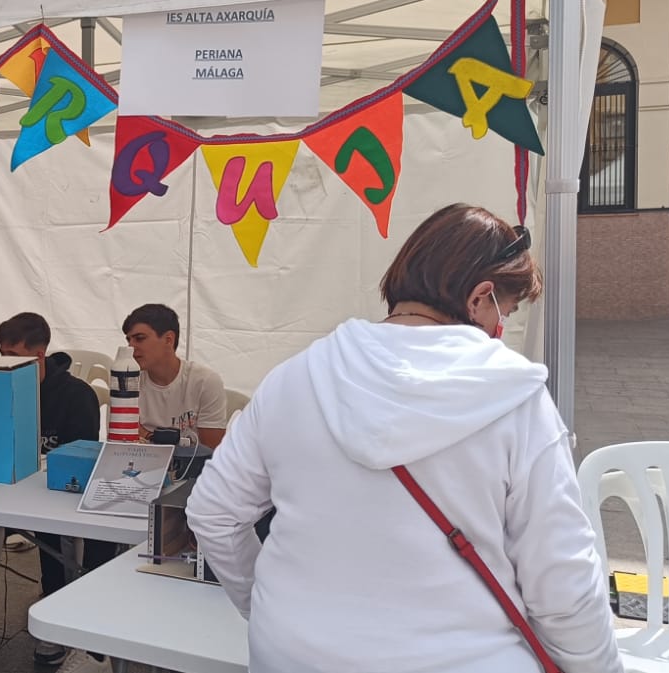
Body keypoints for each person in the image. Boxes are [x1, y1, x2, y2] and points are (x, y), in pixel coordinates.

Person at [186, 204, 624, 673]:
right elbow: (563, 581)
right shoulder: (515, 397)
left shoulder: (294, 378)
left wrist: (268, 606)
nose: (501, 331)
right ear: (481, 298)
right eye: (508, 313)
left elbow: (213, 512)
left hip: (288, 655)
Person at [0, 312, 116, 671]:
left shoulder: (77, 396)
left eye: (13, 356)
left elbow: (80, 460)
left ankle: (75, 614)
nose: (5, 364)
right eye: (2, 355)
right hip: (11, 487)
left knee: (64, 524)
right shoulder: (1, 389)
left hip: (61, 494)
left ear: (39, 355)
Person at [121, 304, 227, 448]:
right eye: (129, 340)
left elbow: (212, 451)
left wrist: (147, 434)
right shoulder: (127, 381)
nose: (131, 347)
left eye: (140, 338)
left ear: (168, 339)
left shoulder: (205, 381)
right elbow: (121, 444)